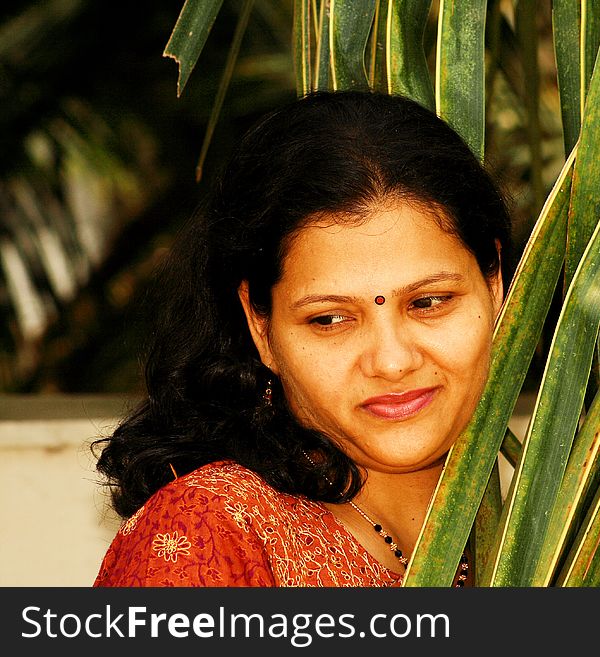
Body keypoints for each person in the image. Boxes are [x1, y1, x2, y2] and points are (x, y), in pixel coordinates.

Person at [91, 90, 513, 587]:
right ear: (260, 326)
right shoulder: (210, 539)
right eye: (330, 319)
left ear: (494, 287)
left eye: (428, 302)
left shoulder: (567, 520)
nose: (393, 362)